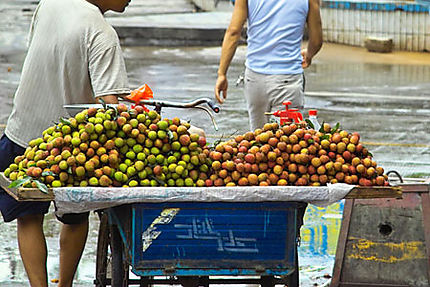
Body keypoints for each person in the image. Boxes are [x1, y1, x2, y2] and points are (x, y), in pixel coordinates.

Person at [0, 0, 131, 286]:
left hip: (23, 130)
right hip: (71, 148)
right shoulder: (102, 33)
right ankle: (66, 285)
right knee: (75, 217)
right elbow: (111, 106)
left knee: (28, 217)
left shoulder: (50, 3)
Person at [214, 0, 323, 131]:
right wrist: (309, 54)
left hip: (255, 79)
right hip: (288, 80)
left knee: (258, 142)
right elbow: (316, 40)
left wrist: (222, 74)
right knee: (288, 143)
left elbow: (233, 32)